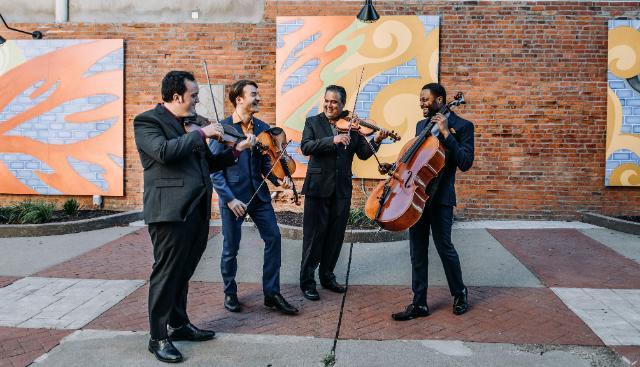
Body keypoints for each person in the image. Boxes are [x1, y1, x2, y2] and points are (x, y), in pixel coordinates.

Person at [134, 70, 253, 363]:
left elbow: (209, 163)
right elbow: (163, 152)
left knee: (184, 272)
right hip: (169, 211)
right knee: (166, 274)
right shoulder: (147, 121)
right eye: (194, 96)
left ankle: (179, 324)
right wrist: (202, 132)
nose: (198, 102)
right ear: (177, 96)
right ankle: (157, 337)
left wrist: (236, 150)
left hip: (197, 210)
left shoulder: (191, 125)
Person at [210, 79, 298, 315]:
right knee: (230, 247)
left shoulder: (262, 127)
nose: (258, 98)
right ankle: (230, 293)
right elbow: (214, 170)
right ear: (239, 99)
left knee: (274, 239)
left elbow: (265, 163)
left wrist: (280, 181)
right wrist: (229, 199)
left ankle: (272, 293)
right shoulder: (223, 128)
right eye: (253, 94)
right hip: (234, 199)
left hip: (259, 196)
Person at [392, 83, 474, 321]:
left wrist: (447, 134)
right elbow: (415, 161)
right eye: (420, 99)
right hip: (417, 196)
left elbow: (465, 162)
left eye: (425, 100)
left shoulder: (463, 127)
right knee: (417, 251)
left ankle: (460, 294)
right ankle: (419, 304)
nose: (421, 103)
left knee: (444, 248)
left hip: (441, 200)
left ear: (439, 101)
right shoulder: (421, 126)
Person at [299, 85, 389, 301]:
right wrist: (333, 140)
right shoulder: (313, 122)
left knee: (335, 235)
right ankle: (307, 281)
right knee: (314, 235)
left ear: (342, 105)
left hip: (341, 189)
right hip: (318, 188)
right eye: (327, 101)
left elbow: (364, 154)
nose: (330, 105)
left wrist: (377, 139)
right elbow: (306, 147)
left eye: (335, 102)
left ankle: (327, 276)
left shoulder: (353, 127)